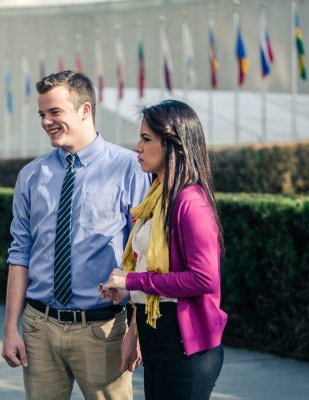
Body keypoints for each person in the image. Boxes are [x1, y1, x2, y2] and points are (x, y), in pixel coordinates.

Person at [1, 70, 149, 399]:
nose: (46, 121)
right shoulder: (31, 176)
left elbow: (143, 257)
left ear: (85, 110)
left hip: (103, 330)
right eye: (42, 114)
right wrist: (11, 327)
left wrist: (137, 330)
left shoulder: (129, 169)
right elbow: (19, 253)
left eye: (55, 112)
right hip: (39, 328)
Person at [99, 100, 227, 400]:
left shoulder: (190, 201)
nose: (137, 147)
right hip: (157, 335)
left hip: (184, 344)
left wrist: (131, 281)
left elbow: (203, 279)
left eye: (146, 139)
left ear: (174, 145)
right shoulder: (157, 197)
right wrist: (128, 293)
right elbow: (155, 270)